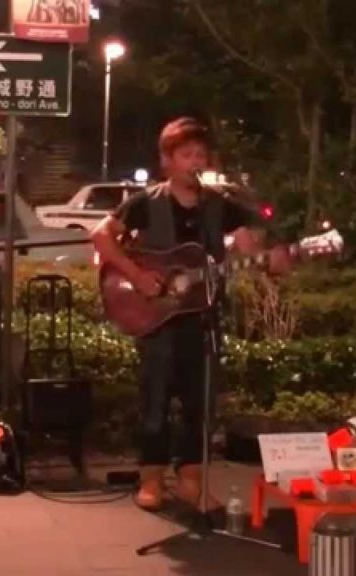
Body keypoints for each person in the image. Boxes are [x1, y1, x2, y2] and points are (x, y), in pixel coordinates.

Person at [90, 117, 290, 511]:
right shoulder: (146, 203)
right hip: (156, 317)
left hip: (203, 318)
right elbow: (100, 236)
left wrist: (271, 260)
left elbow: (249, 248)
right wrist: (137, 275)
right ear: (167, 160)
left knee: (200, 405)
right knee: (156, 401)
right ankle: (151, 481)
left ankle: (190, 482)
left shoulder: (220, 206)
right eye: (186, 154)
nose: (195, 162)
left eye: (201, 154)